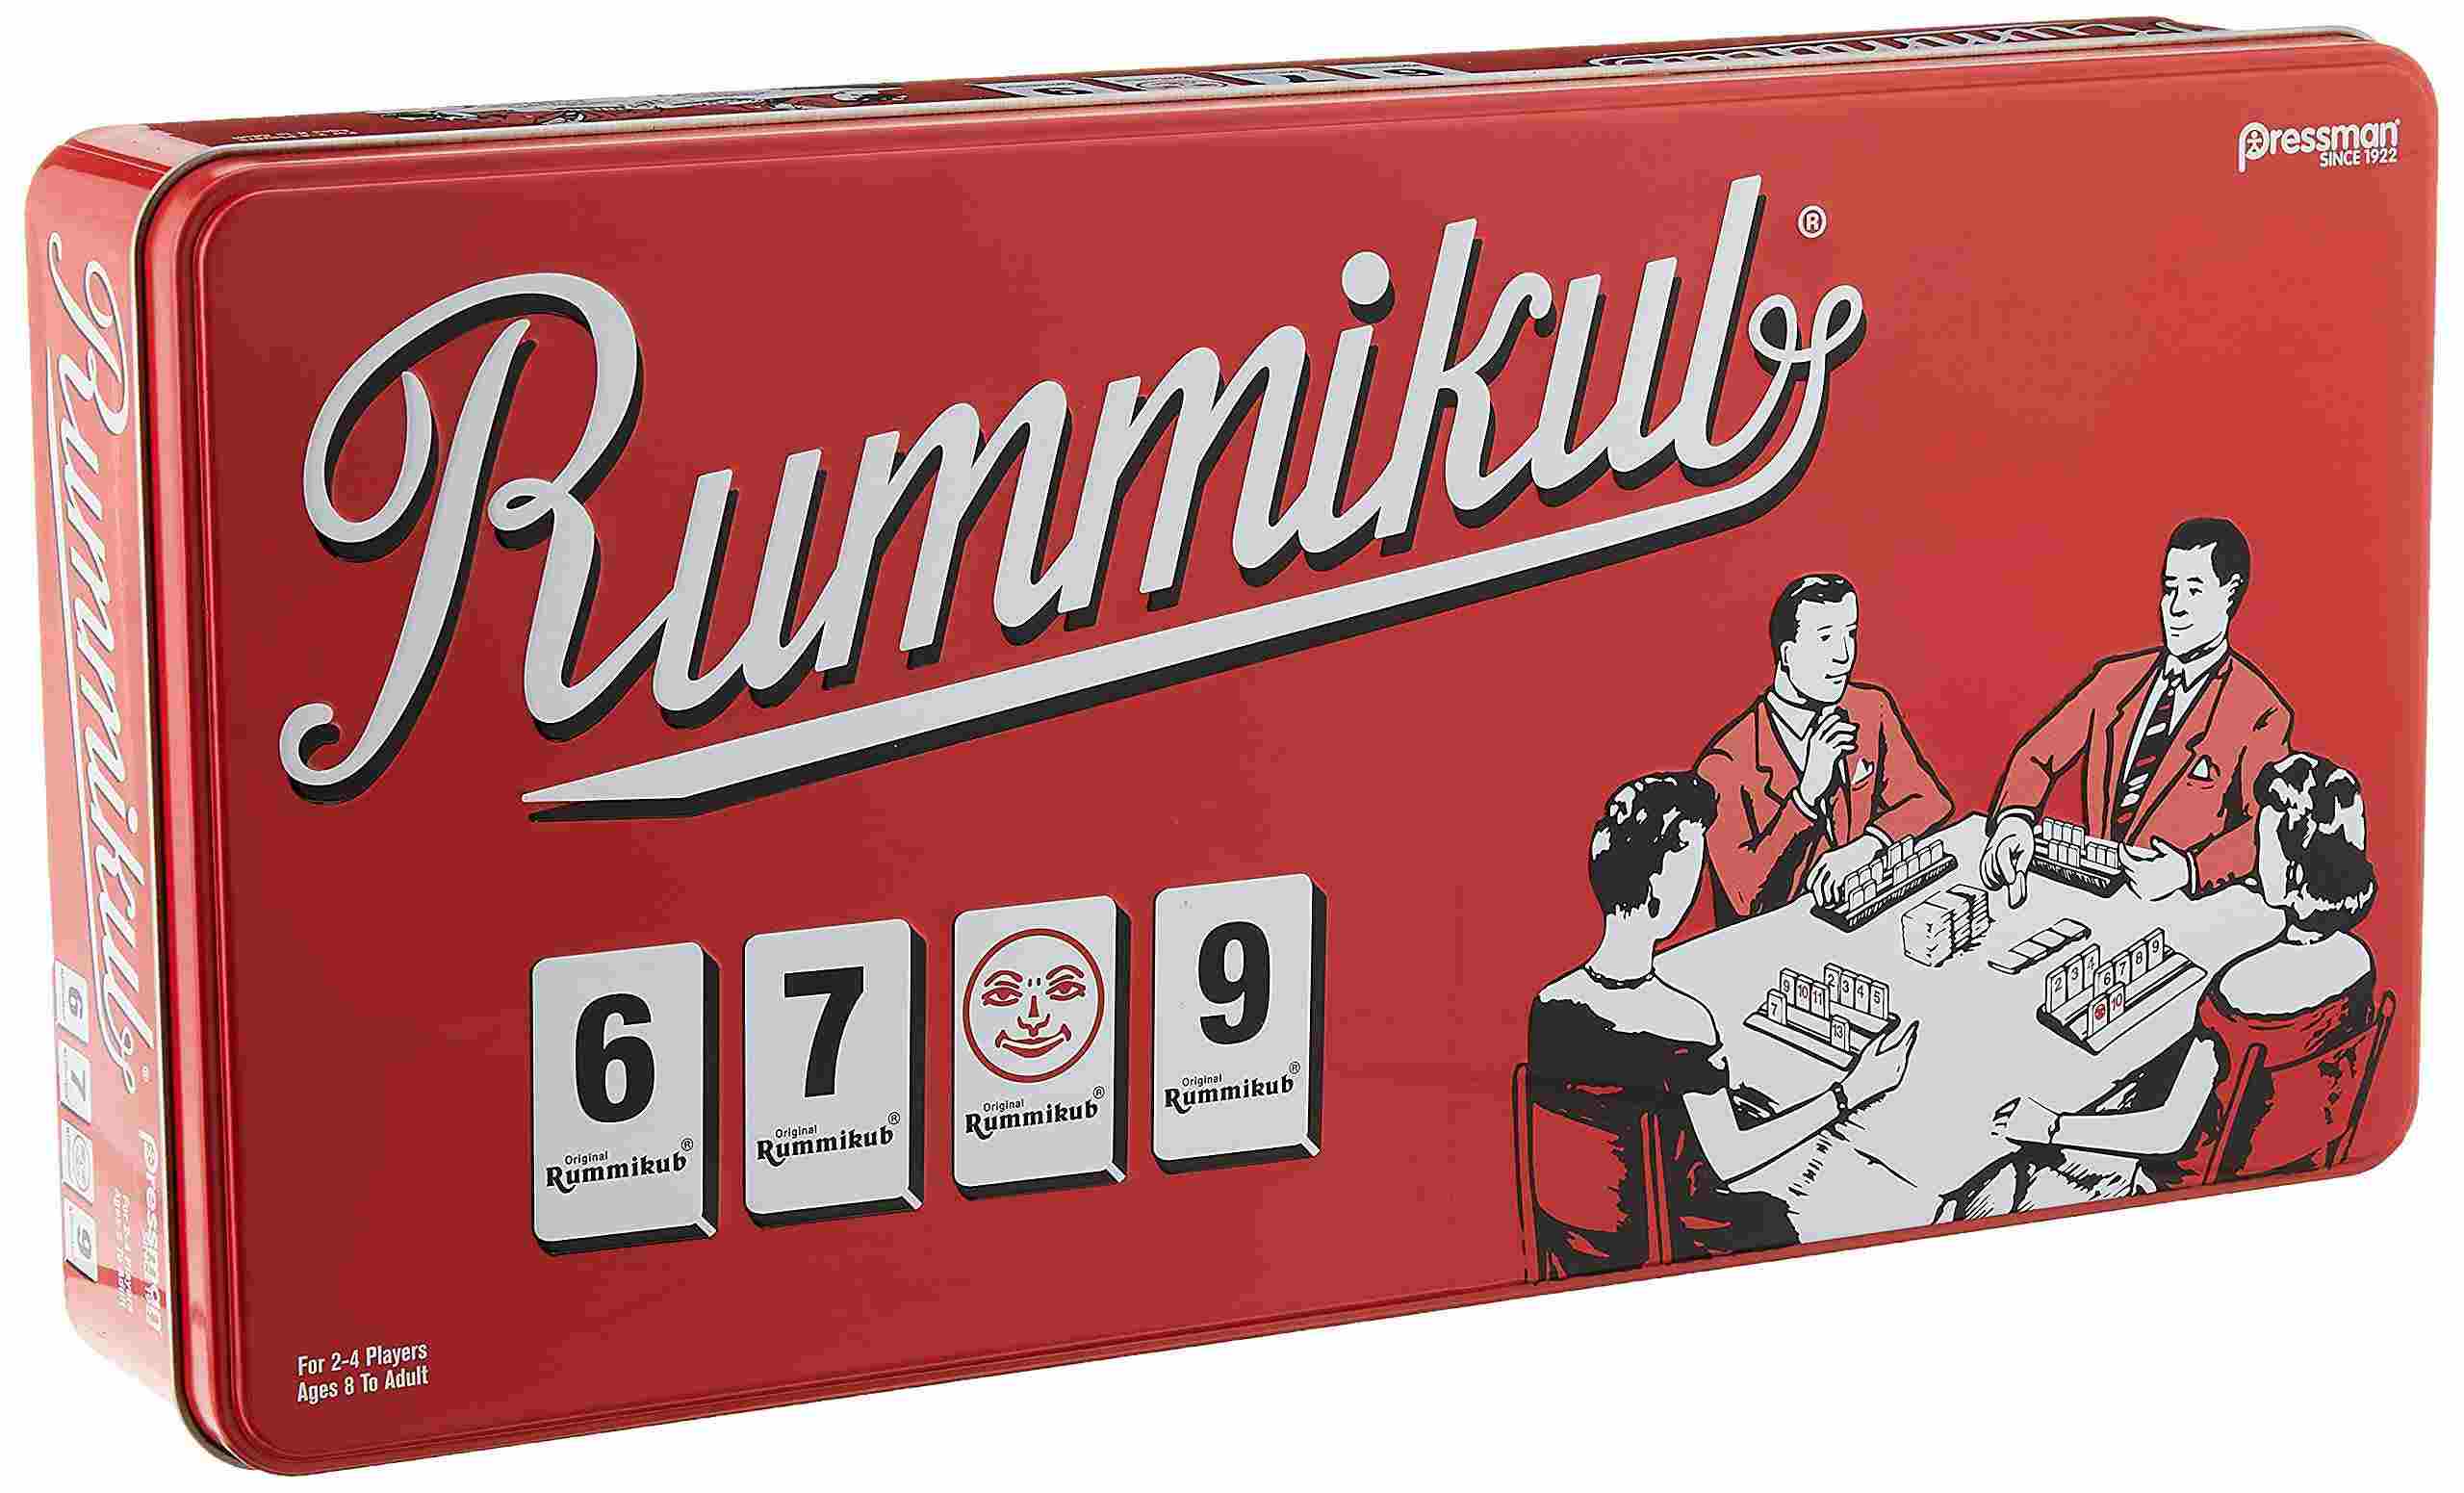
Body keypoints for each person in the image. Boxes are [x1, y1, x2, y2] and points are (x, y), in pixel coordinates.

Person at [1941, 753, 2378, 1219]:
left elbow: (2168, 1131)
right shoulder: (2359, 961)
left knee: (1984, 1185)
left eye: (2263, 841)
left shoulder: (2239, 993)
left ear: (2293, 868)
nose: (2255, 854)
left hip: (2176, 1185)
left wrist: (2050, 1125)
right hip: (2291, 1165)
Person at [1527, 772, 1918, 1271]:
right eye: (1692, 857)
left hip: (1579, 1248)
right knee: (1826, 1190)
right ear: (1658, 883)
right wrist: (1850, 1092)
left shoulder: (1549, 1004)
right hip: (1676, 1242)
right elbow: (1731, 1159)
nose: (1699, 876)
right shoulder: (1683, 1022)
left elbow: (1617, 1107)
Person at [1983, 518, 2293, 903]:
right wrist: (2015, 820)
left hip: (2184, 911)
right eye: (2170, 588)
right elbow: (2037, 754)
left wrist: (2189, 870)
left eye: (2194, 591)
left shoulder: (2261, 711)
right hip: (2096, 896)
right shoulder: (2114, 680)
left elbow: (2266, 825)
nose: (2175, 608)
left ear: (2229, 593)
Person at [1694, 574, 1952, 924]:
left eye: (1850, 634)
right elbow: (1743, 895)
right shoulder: (1724, 764)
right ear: (1787, 654)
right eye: (1826, 638)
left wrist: (1865, 847)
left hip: (1863, 919)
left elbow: (1930, 801)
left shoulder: (1870, 709)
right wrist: (1806, 795)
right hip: (1775, 942)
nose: (1844, 656)